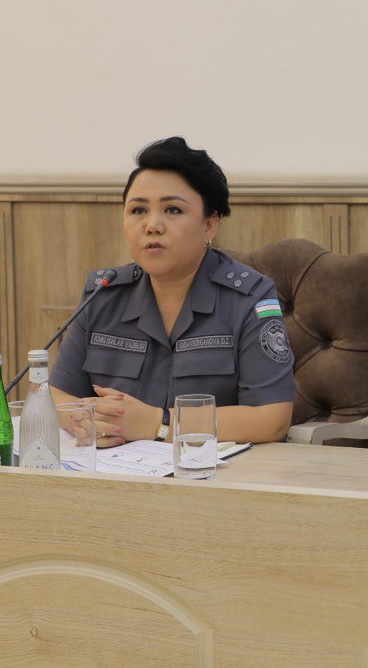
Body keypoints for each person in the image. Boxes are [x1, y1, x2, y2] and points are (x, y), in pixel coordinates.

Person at [49, 137, 295, 446]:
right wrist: (86, 421)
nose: (152, 225)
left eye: (173, 210)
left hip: (211, 469)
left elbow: (272, 419)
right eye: (138, 210)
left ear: (209, 226)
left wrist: (160, 424)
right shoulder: (103, 293)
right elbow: (55, 395)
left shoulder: (250, 297)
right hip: (114, 467)